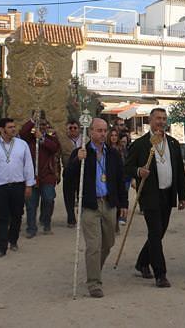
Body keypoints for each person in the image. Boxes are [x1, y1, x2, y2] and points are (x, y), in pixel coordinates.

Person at [125, 108, 185, 288]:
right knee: (154, 231)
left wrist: (182, 195)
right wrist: (138, 171)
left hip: (168, 193)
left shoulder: (174, 144)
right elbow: (127, 167)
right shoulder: (140, 144)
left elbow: (180, 172)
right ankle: (161, 274)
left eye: (164, 118)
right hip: (150, 194)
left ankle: (142, 262)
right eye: (158, 118)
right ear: (150, 121)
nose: (161, 121)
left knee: (159, 232)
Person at [66, 118, 128, 298]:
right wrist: (77, 161)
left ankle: (94, 269)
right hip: (90, 205)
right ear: (90, 131)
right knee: (93, 245)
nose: (102, 134)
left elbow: (119, 180)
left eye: (104, 130)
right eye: (99, 130)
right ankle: (94, 283)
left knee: (108, 243)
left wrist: (123, 203)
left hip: (109, 203)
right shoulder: (82, 152)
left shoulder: (113, 154)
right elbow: (68, 178)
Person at [0, 118, 35, 260]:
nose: (13, 129)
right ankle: (0, 247)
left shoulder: (22, 145)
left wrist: (29, 185)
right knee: (1, 217)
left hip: (18, 185)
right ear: (1, 129)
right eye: (10, 127)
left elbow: (28, 165)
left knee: (17, 215)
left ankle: (13, 239)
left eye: (14, 126)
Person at [20, 116, 61, 237]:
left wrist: (42, 138)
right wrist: (32, 120)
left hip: (47, 176)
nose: (42, 127)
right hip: (31, 177)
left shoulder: (52, 139)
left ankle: (46, 222)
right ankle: (31, 228)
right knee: (31, 204)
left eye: (44, 125)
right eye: (39, 125)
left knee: (48, 199)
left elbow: (54, 148)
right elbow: (22, 132)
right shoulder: (29, 140)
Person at [60, 119, 84, 227]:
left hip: (82, 173)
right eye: (70, 128)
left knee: (82, 196)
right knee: (69, 197)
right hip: (68, 172)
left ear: (79, 129)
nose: (73, 130)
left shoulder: (86, 140)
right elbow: (56, 157)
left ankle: (83, 217)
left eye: (75, 128)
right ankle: (71, 217)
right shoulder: (62, 141)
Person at [108, 128, 129, 230]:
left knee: (122, 197)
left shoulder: (122, 149)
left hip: (122, 177)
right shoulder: (105, 149)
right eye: (112, 135)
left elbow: (127, 162)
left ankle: (120, 218)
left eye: (115, 135)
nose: (113, 137)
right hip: (110, 178)